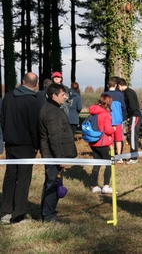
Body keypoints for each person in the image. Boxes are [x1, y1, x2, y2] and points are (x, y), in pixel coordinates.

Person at [0, 72, 40, 224]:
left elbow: (2, 118)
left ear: (22, 81)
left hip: (10, 143)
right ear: (35, 85)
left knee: (10, 176)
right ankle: (18, 214)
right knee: (23, 178)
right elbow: (34, 126)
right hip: (26, 144)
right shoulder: (32, 101)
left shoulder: (9, 96)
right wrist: (36, 145)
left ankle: (5, 212)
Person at [39, 84, 77, 223]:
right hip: (53, 156)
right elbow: (54, 137)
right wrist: (60, 157)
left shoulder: (51, 108)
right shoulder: (52, 111)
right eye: (62, 95)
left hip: (52, 155)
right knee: (53, 184)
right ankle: (49, 216)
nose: (65, 97)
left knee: (52, 183)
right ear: (54, 96)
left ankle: (47, 213)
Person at [88, 94, 116, 194]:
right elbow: (108, 130)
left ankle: (95, 186)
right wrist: (114, 129)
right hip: (103, 143)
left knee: (96, 164)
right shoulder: (106, 114)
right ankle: (106, 186)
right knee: (109, 164)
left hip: (94, 143)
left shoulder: (93, 112)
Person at [102, 77, 126, 164]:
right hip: (118, 120)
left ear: (108, 85)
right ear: (116, 85)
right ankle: (119, 157)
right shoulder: (120, 95)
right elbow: (124, 107)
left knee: (110, 140)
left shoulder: (104, 95)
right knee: (119, 139)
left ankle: (111, 157)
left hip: (108, 121)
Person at [117, 78, 141, 164]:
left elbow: (132, 106)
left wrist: (128, 115)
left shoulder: (128, 93)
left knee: (133, 136)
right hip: (133, 116)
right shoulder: (128, 92)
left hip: (134, 116)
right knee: (131, 135)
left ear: (120, 85)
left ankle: (134, 157)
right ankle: (133, 155)